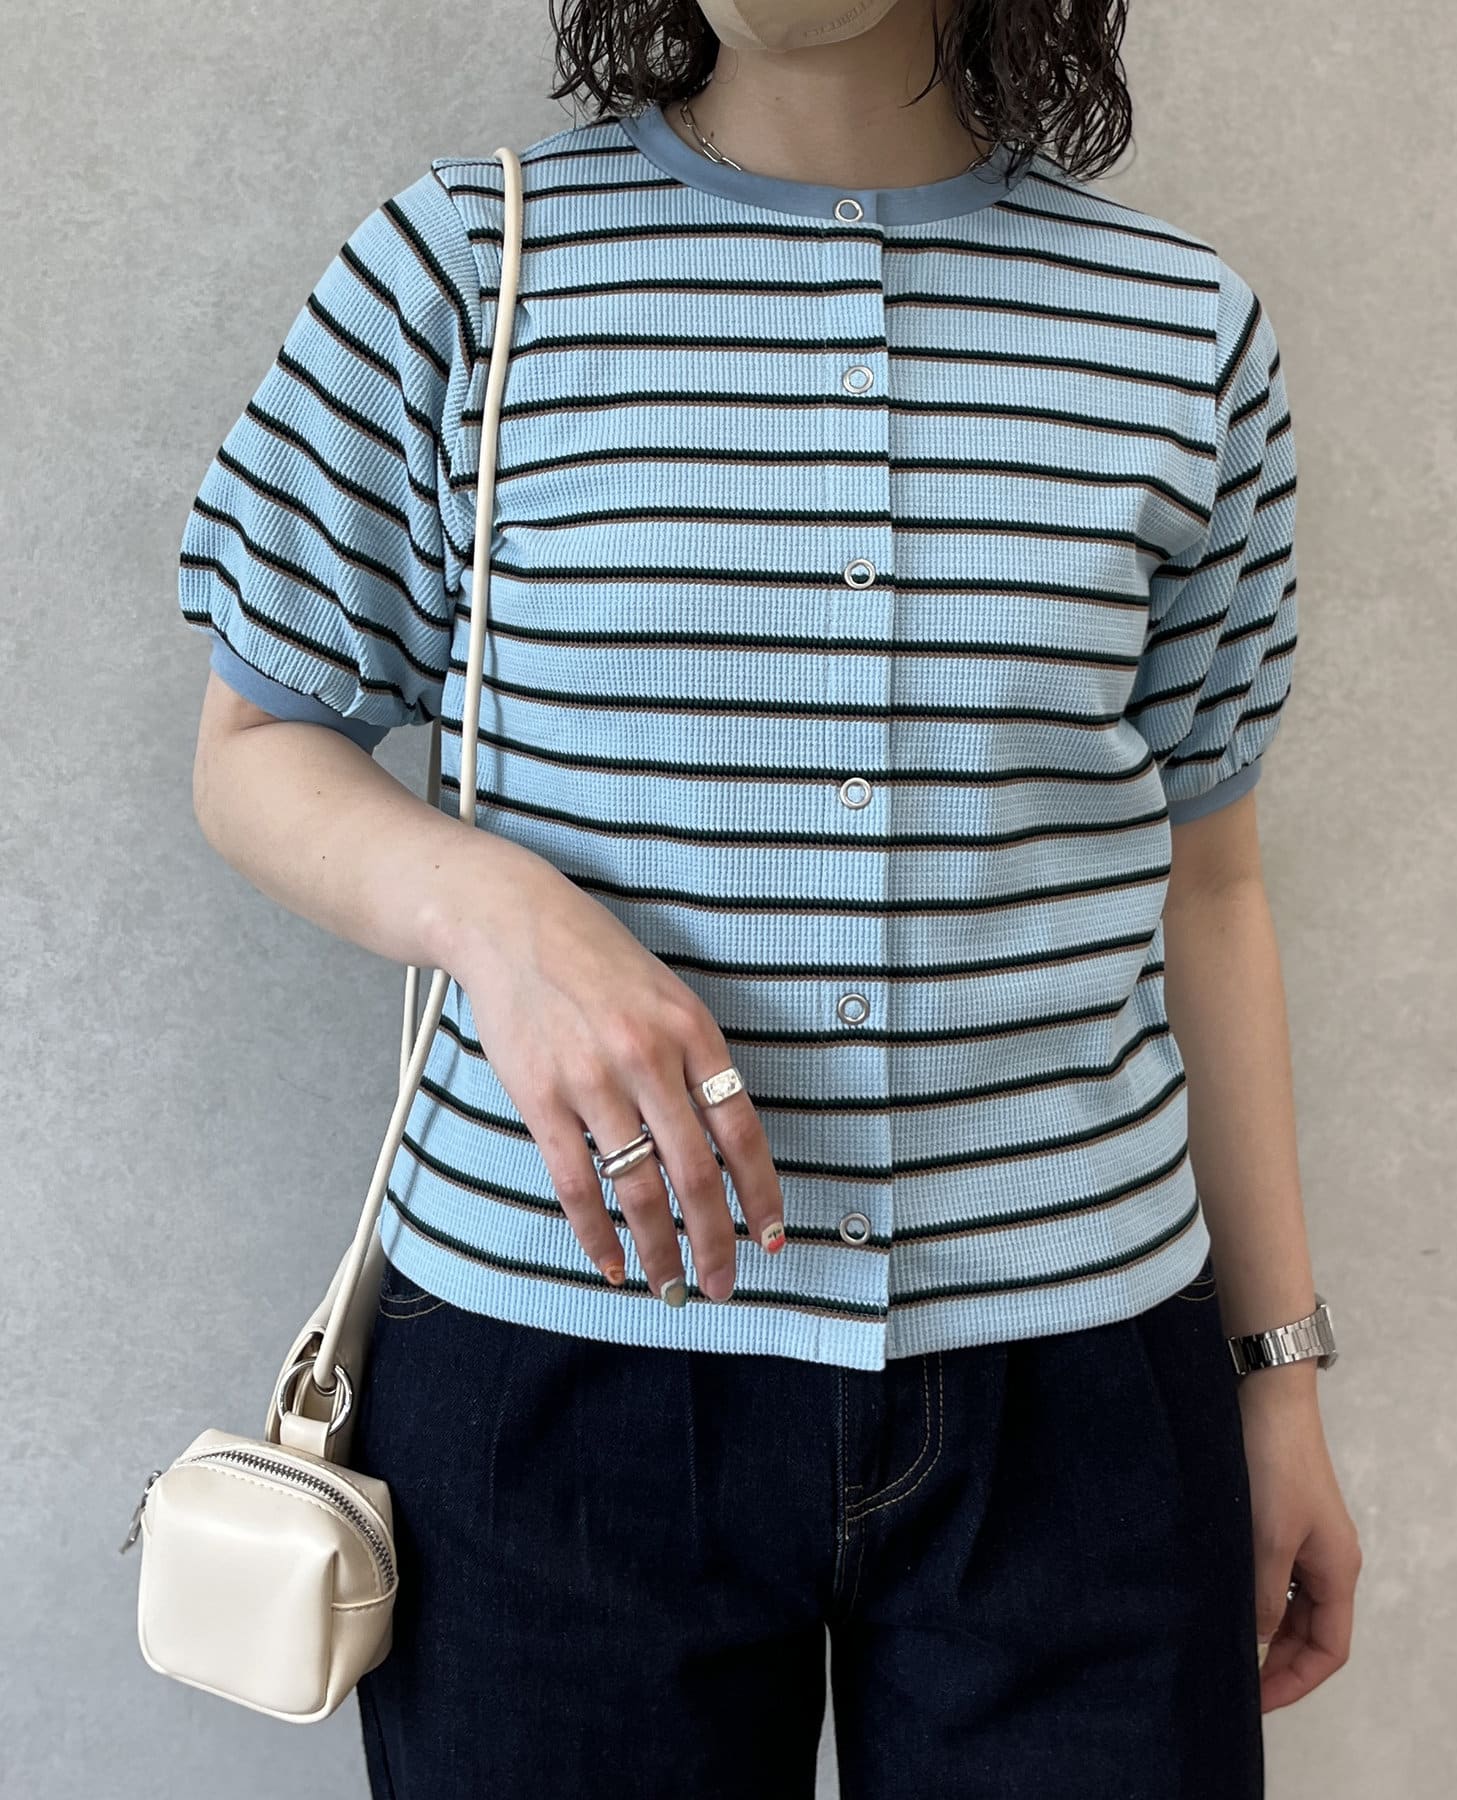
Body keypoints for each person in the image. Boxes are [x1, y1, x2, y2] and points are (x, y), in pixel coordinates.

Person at [176, 0, 1362, 1793]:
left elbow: (1210, 878)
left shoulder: (1179, 329)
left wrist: (1279, 1375)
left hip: (1083, 1395)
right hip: (554, 1367)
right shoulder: (465, 265)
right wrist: (499, 912)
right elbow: (255, 746)